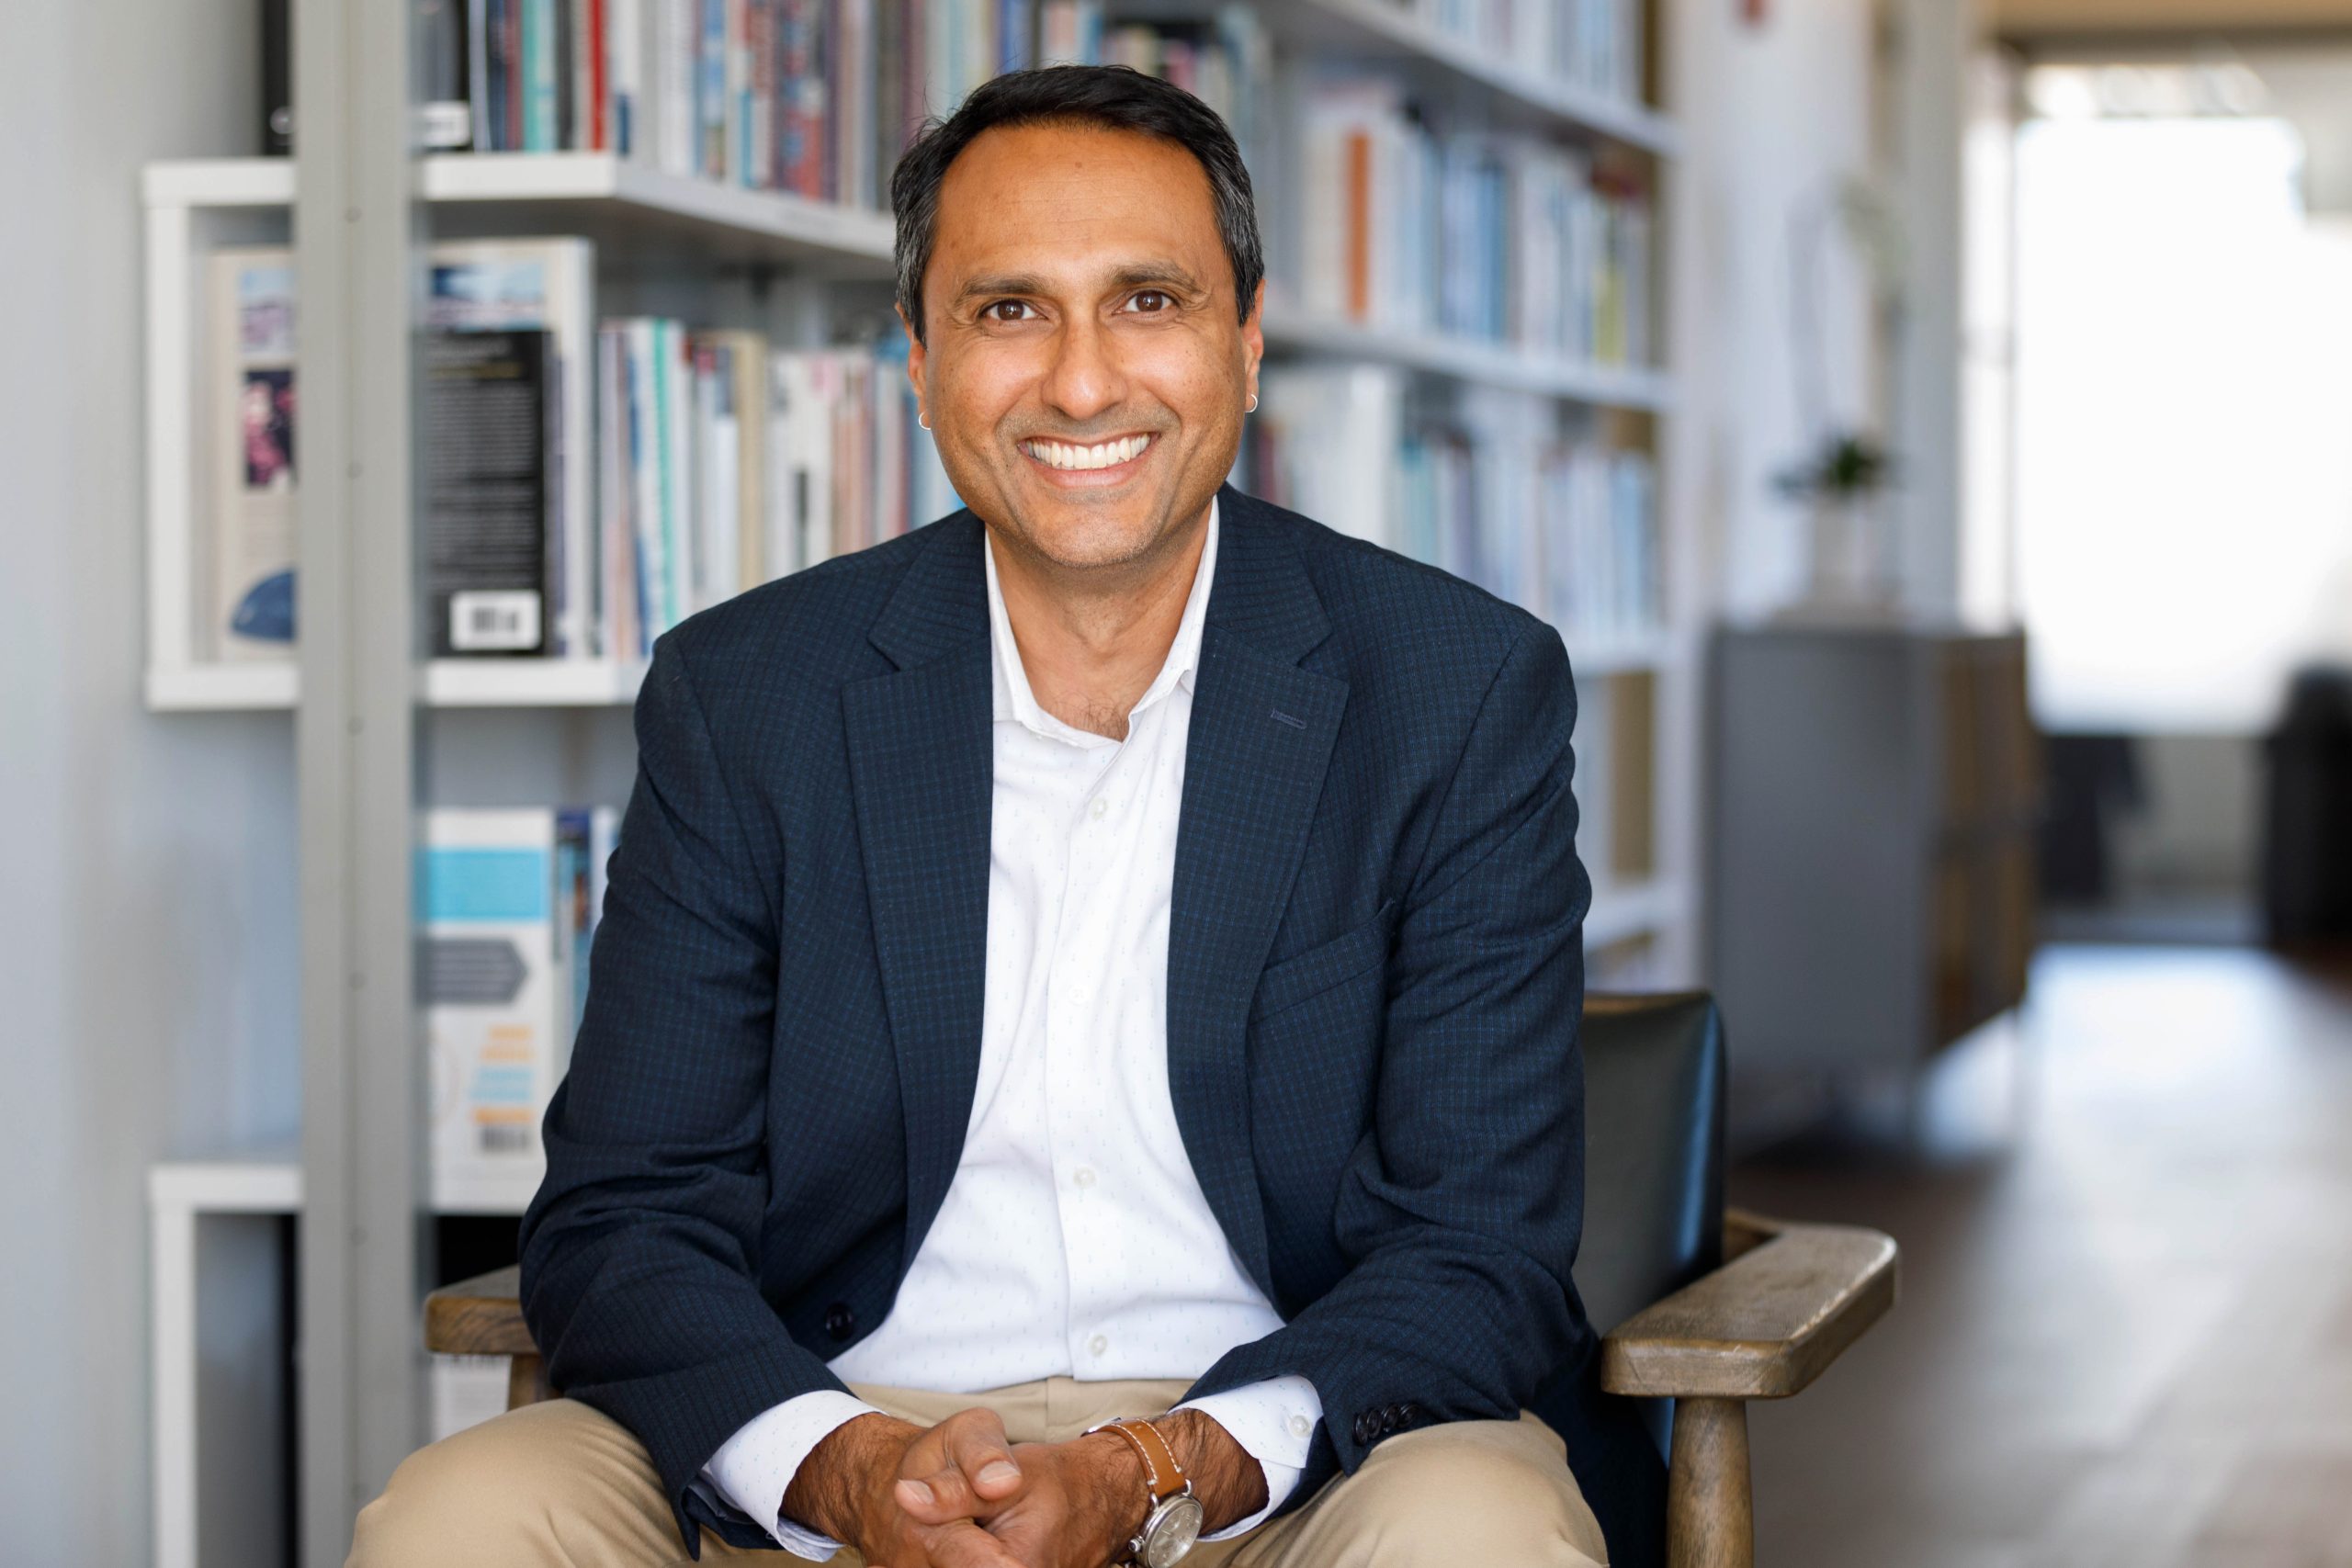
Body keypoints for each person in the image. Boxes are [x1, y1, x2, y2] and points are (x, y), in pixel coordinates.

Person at [350, 62, 1607, 1568]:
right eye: (1011, 310)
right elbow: (624, 1210)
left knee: (1480, 1531)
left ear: (1248, 341)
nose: (1082, 384)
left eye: (1149, 301)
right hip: (838, 1417)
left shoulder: (1455, 691)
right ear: (921, 361)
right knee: (461, 1518)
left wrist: (1154, 1466)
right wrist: (843, 1468)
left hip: (1284, 1453)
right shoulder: (748, 696)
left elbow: (1480, 1250)